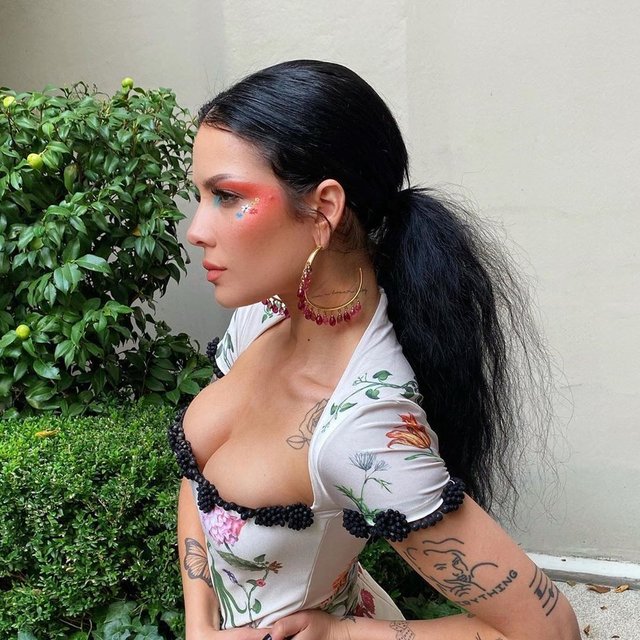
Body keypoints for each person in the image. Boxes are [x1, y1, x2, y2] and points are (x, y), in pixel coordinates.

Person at [169, 60, 579, 640]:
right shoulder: (261, 317)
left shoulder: (363, 429)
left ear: (324, 209)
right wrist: (200, 622)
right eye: (201, 195)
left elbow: (548, 630)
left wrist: (340, 634)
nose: (196, 229)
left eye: (226, 196)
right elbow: (199, 478)